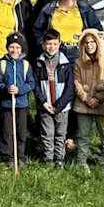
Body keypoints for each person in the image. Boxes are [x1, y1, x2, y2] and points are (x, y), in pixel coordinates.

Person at [73, 28, 104, 172]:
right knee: (83, 136)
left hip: (102, 105)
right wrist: (86, 98)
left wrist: (98, 98)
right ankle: (82, 162)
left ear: (98, 43)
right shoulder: (78, 62)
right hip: (83, 105)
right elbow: (76, 82)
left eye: (92, 42)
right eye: (86, 43)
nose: (89, 45)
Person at [34, 0, 101, 62]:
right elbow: (37, 29)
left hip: (78, 51)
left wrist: (89, 46)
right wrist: (44, 44)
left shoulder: (84, 9)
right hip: (56, 52)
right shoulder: (48, 9)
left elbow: (96, 29)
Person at [33, 29, 74, 169]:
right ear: (44, 44)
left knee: (60, 133)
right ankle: (49, 159)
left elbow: (69, 88)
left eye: (55, 44)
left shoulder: (65, 64)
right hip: (45, 106)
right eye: (49, 44)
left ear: (60, 44)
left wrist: (60, 105)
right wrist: (44, 102)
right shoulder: (39, 63)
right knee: (47, 133)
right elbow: (36, 86)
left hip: (61, 107)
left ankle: (59, 159)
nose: (52, 47)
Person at [0, 32, 34, 170]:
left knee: (21, 132)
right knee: (7, 131)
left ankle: (21, 157)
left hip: (21, 104)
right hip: (7, 104)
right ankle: (9, 157)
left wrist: (20, 90)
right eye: (12, 47)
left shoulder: (26, 65)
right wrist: (6, 88)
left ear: (21, 49)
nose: (14, 50)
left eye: (17, 48)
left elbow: (31, 83)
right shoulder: (2, 64)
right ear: (7, 48)